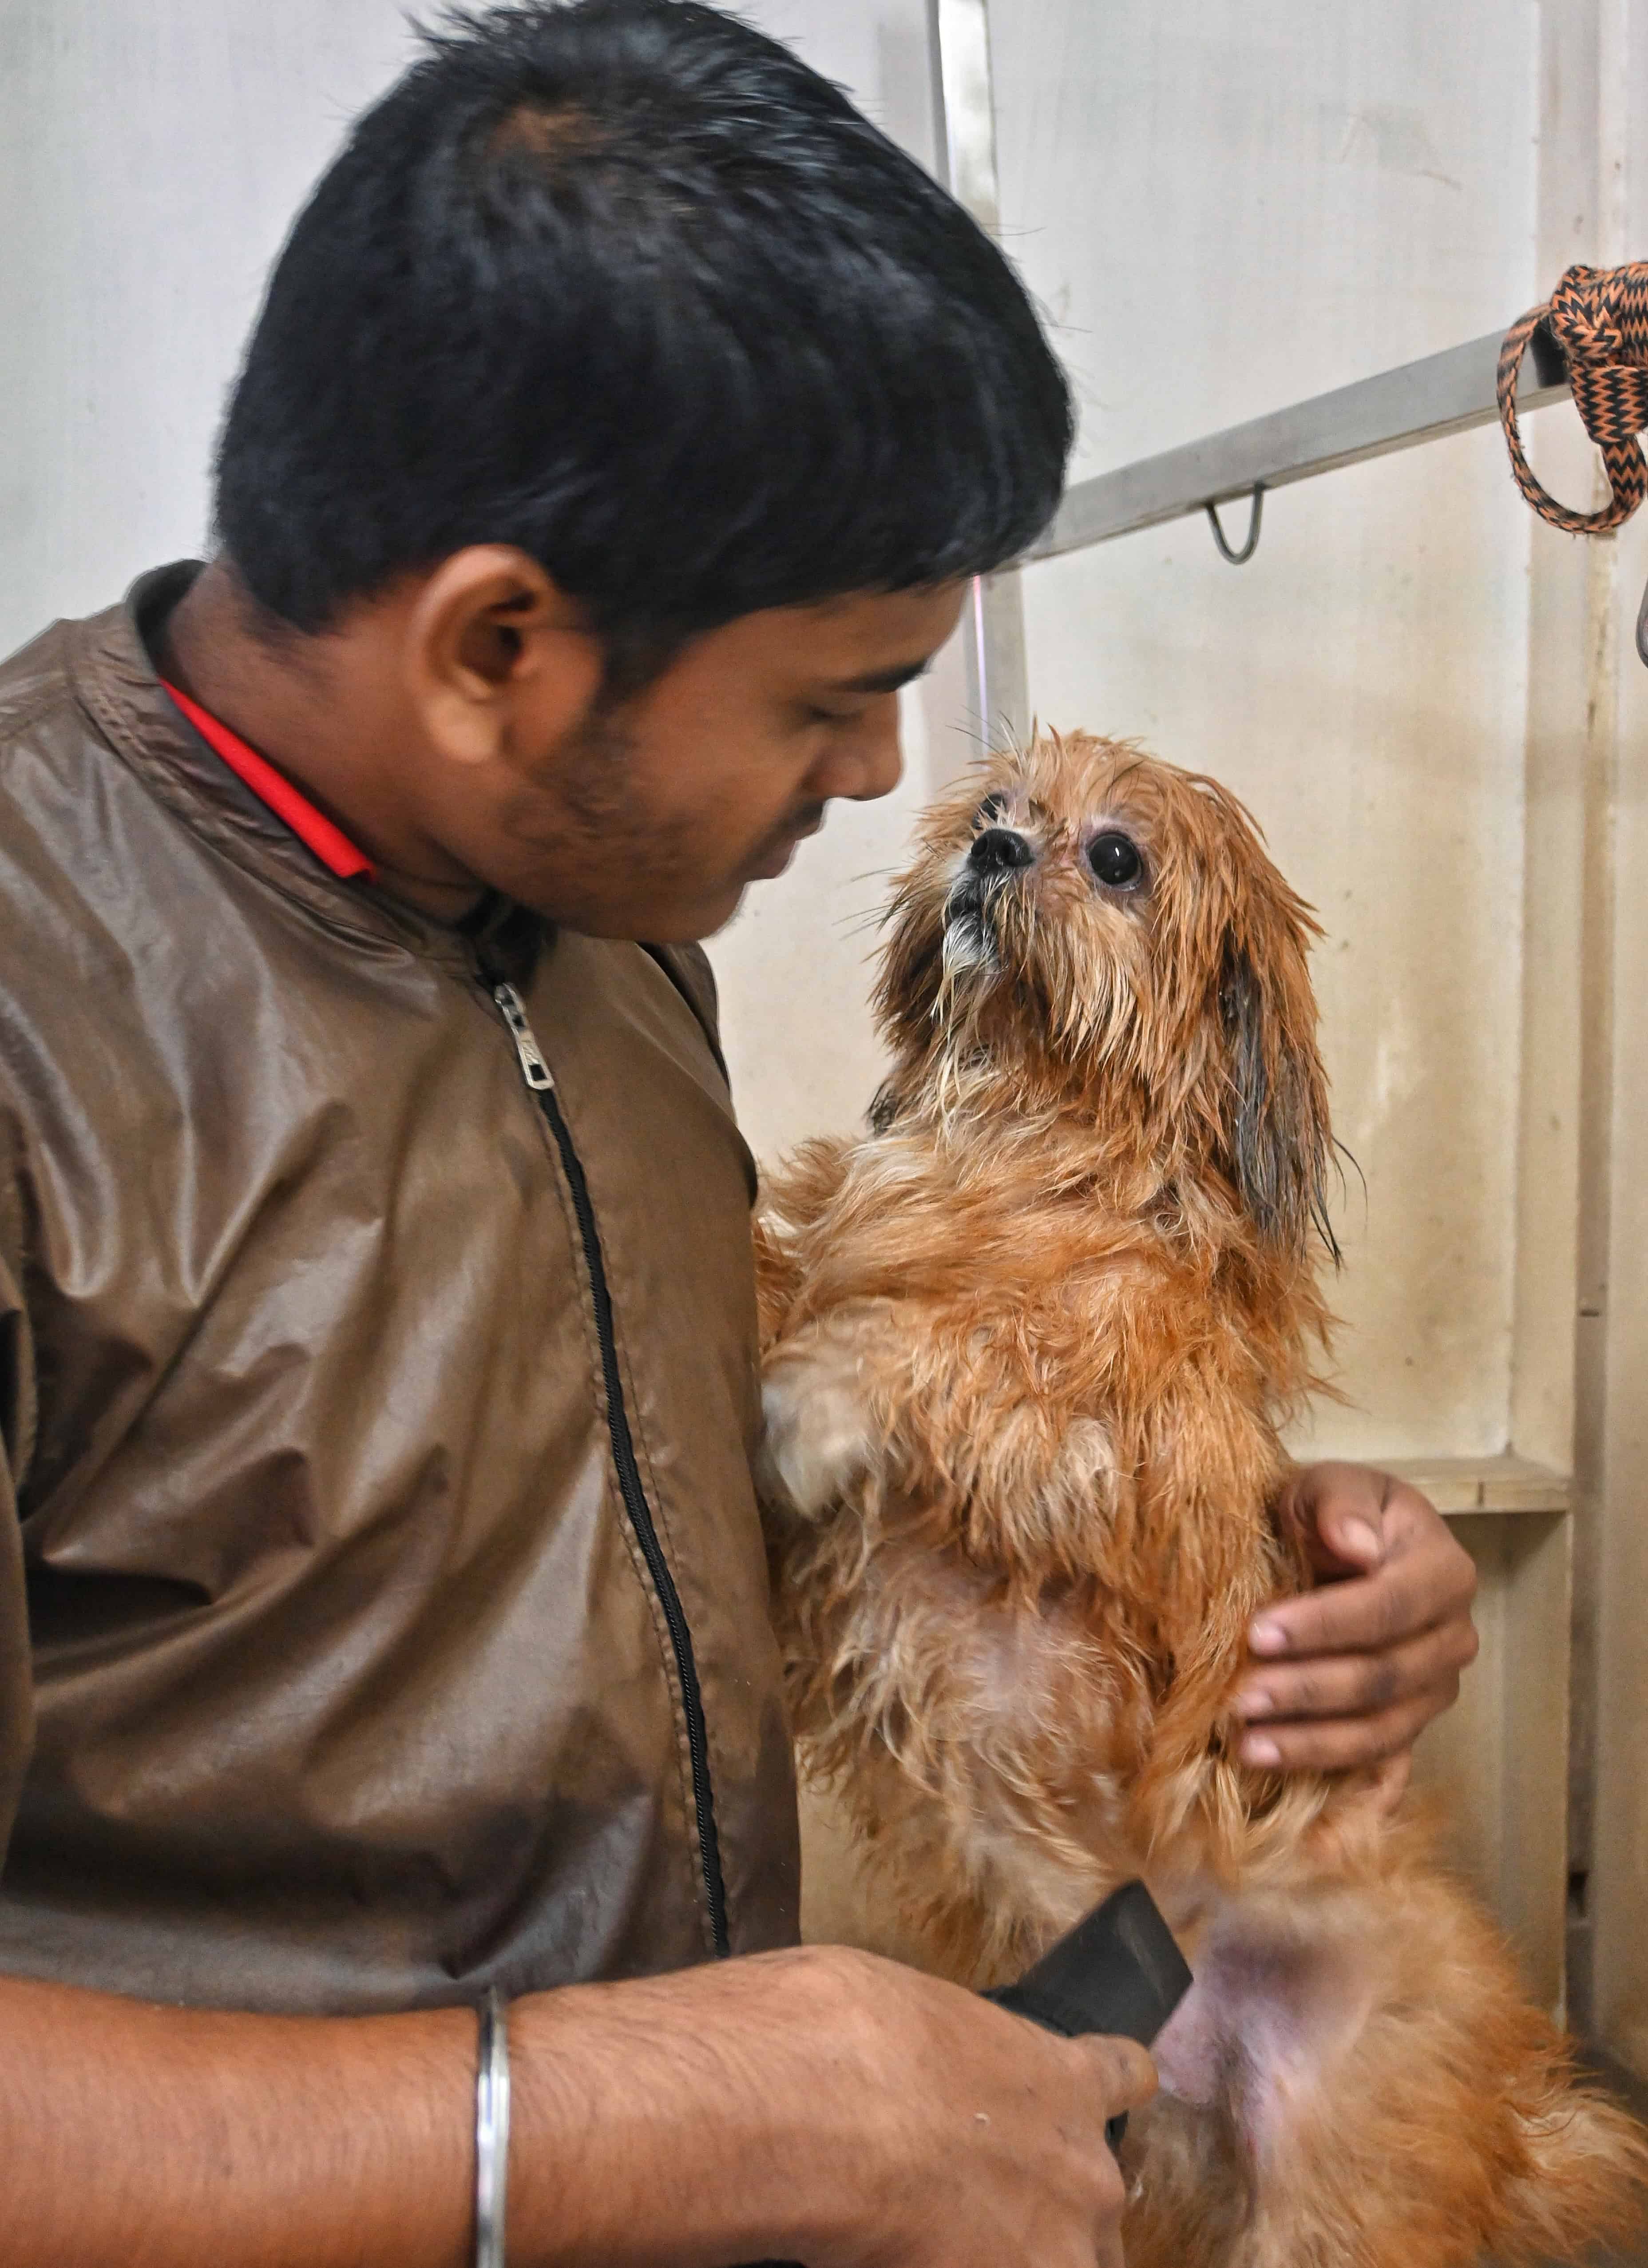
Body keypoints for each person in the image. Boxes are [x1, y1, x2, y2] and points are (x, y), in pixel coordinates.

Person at [0, 4, 1478, 2262]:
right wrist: (631, 2128)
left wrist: (1239, 1559)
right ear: (502, 642)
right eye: (828, 696)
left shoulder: (588, 921)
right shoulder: (44, 1005)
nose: (886, 781)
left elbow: (590, 1486)